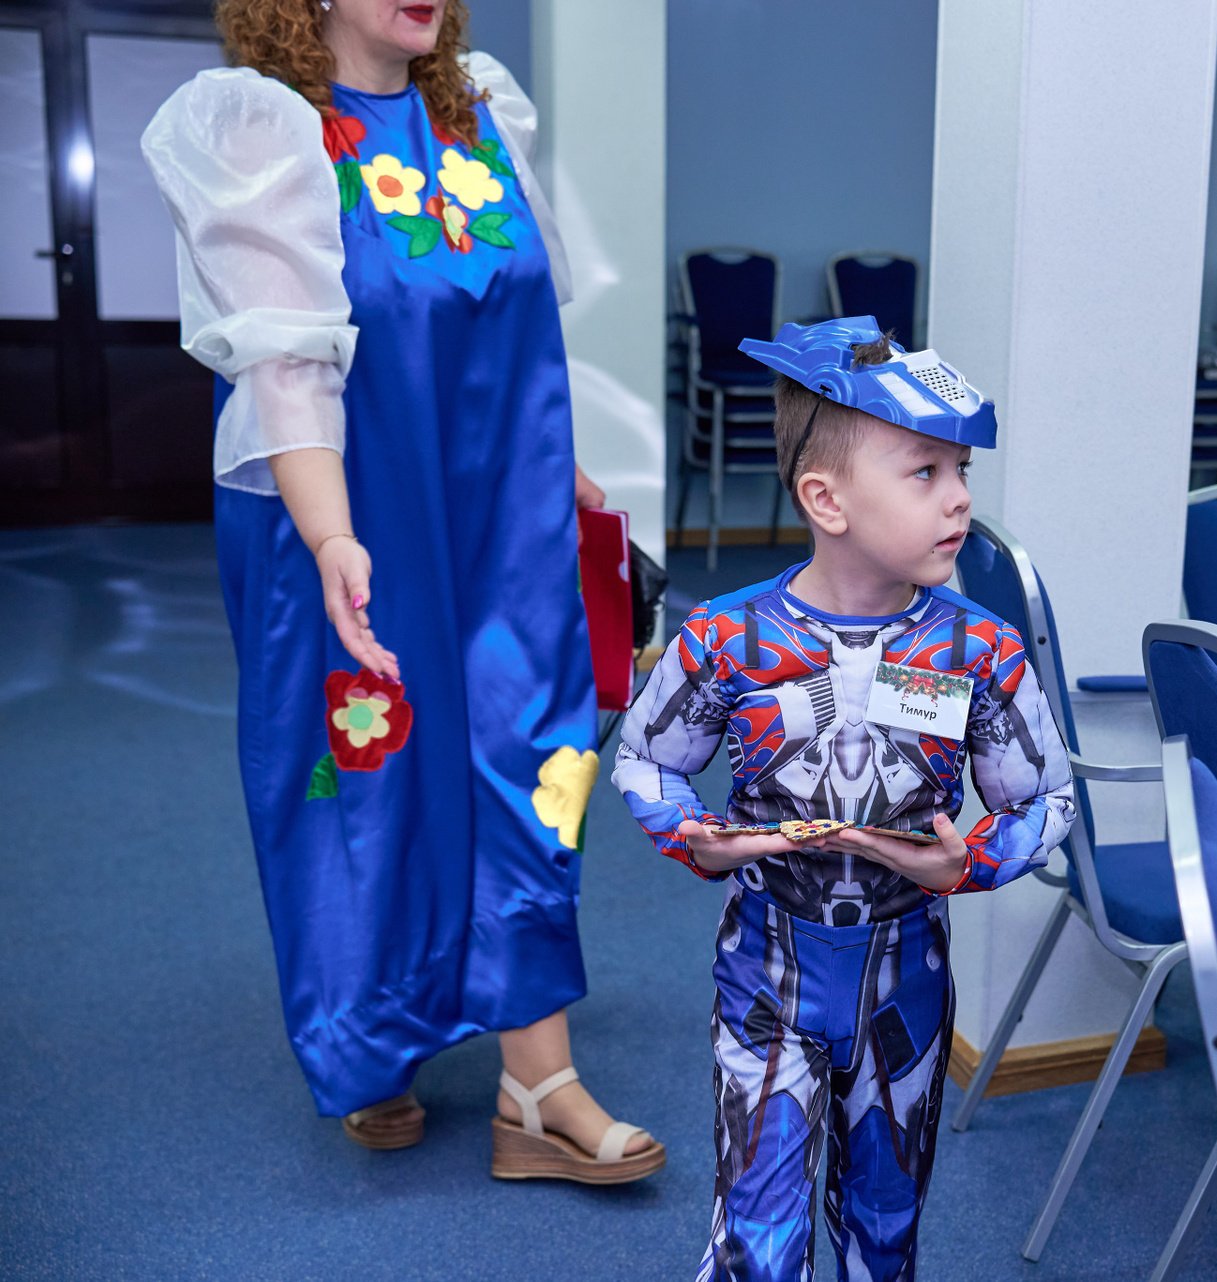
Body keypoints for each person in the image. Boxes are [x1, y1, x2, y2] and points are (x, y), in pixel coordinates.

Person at [142, 0, 661, 1182]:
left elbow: (513, 331)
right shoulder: (268, 130)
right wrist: (331, 534)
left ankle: (539, 1081)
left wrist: (560, 472)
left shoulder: (481, 113)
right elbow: (285, 365)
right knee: (367, 773)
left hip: (501, 513)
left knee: (534, 750)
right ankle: (373, 1042)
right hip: (348, 510)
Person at [613, 318, 1075, 1279]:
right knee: (758, 1241)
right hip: (766, 968)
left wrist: (970, 862)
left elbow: (1048, 799)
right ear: (826, 498)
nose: (960, 498)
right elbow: (646, 759)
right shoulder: (727, 639)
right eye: (925, 473)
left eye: (961, 471)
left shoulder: (981, 652)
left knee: (885, 1229)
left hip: (906, 979)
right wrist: (693, 837)